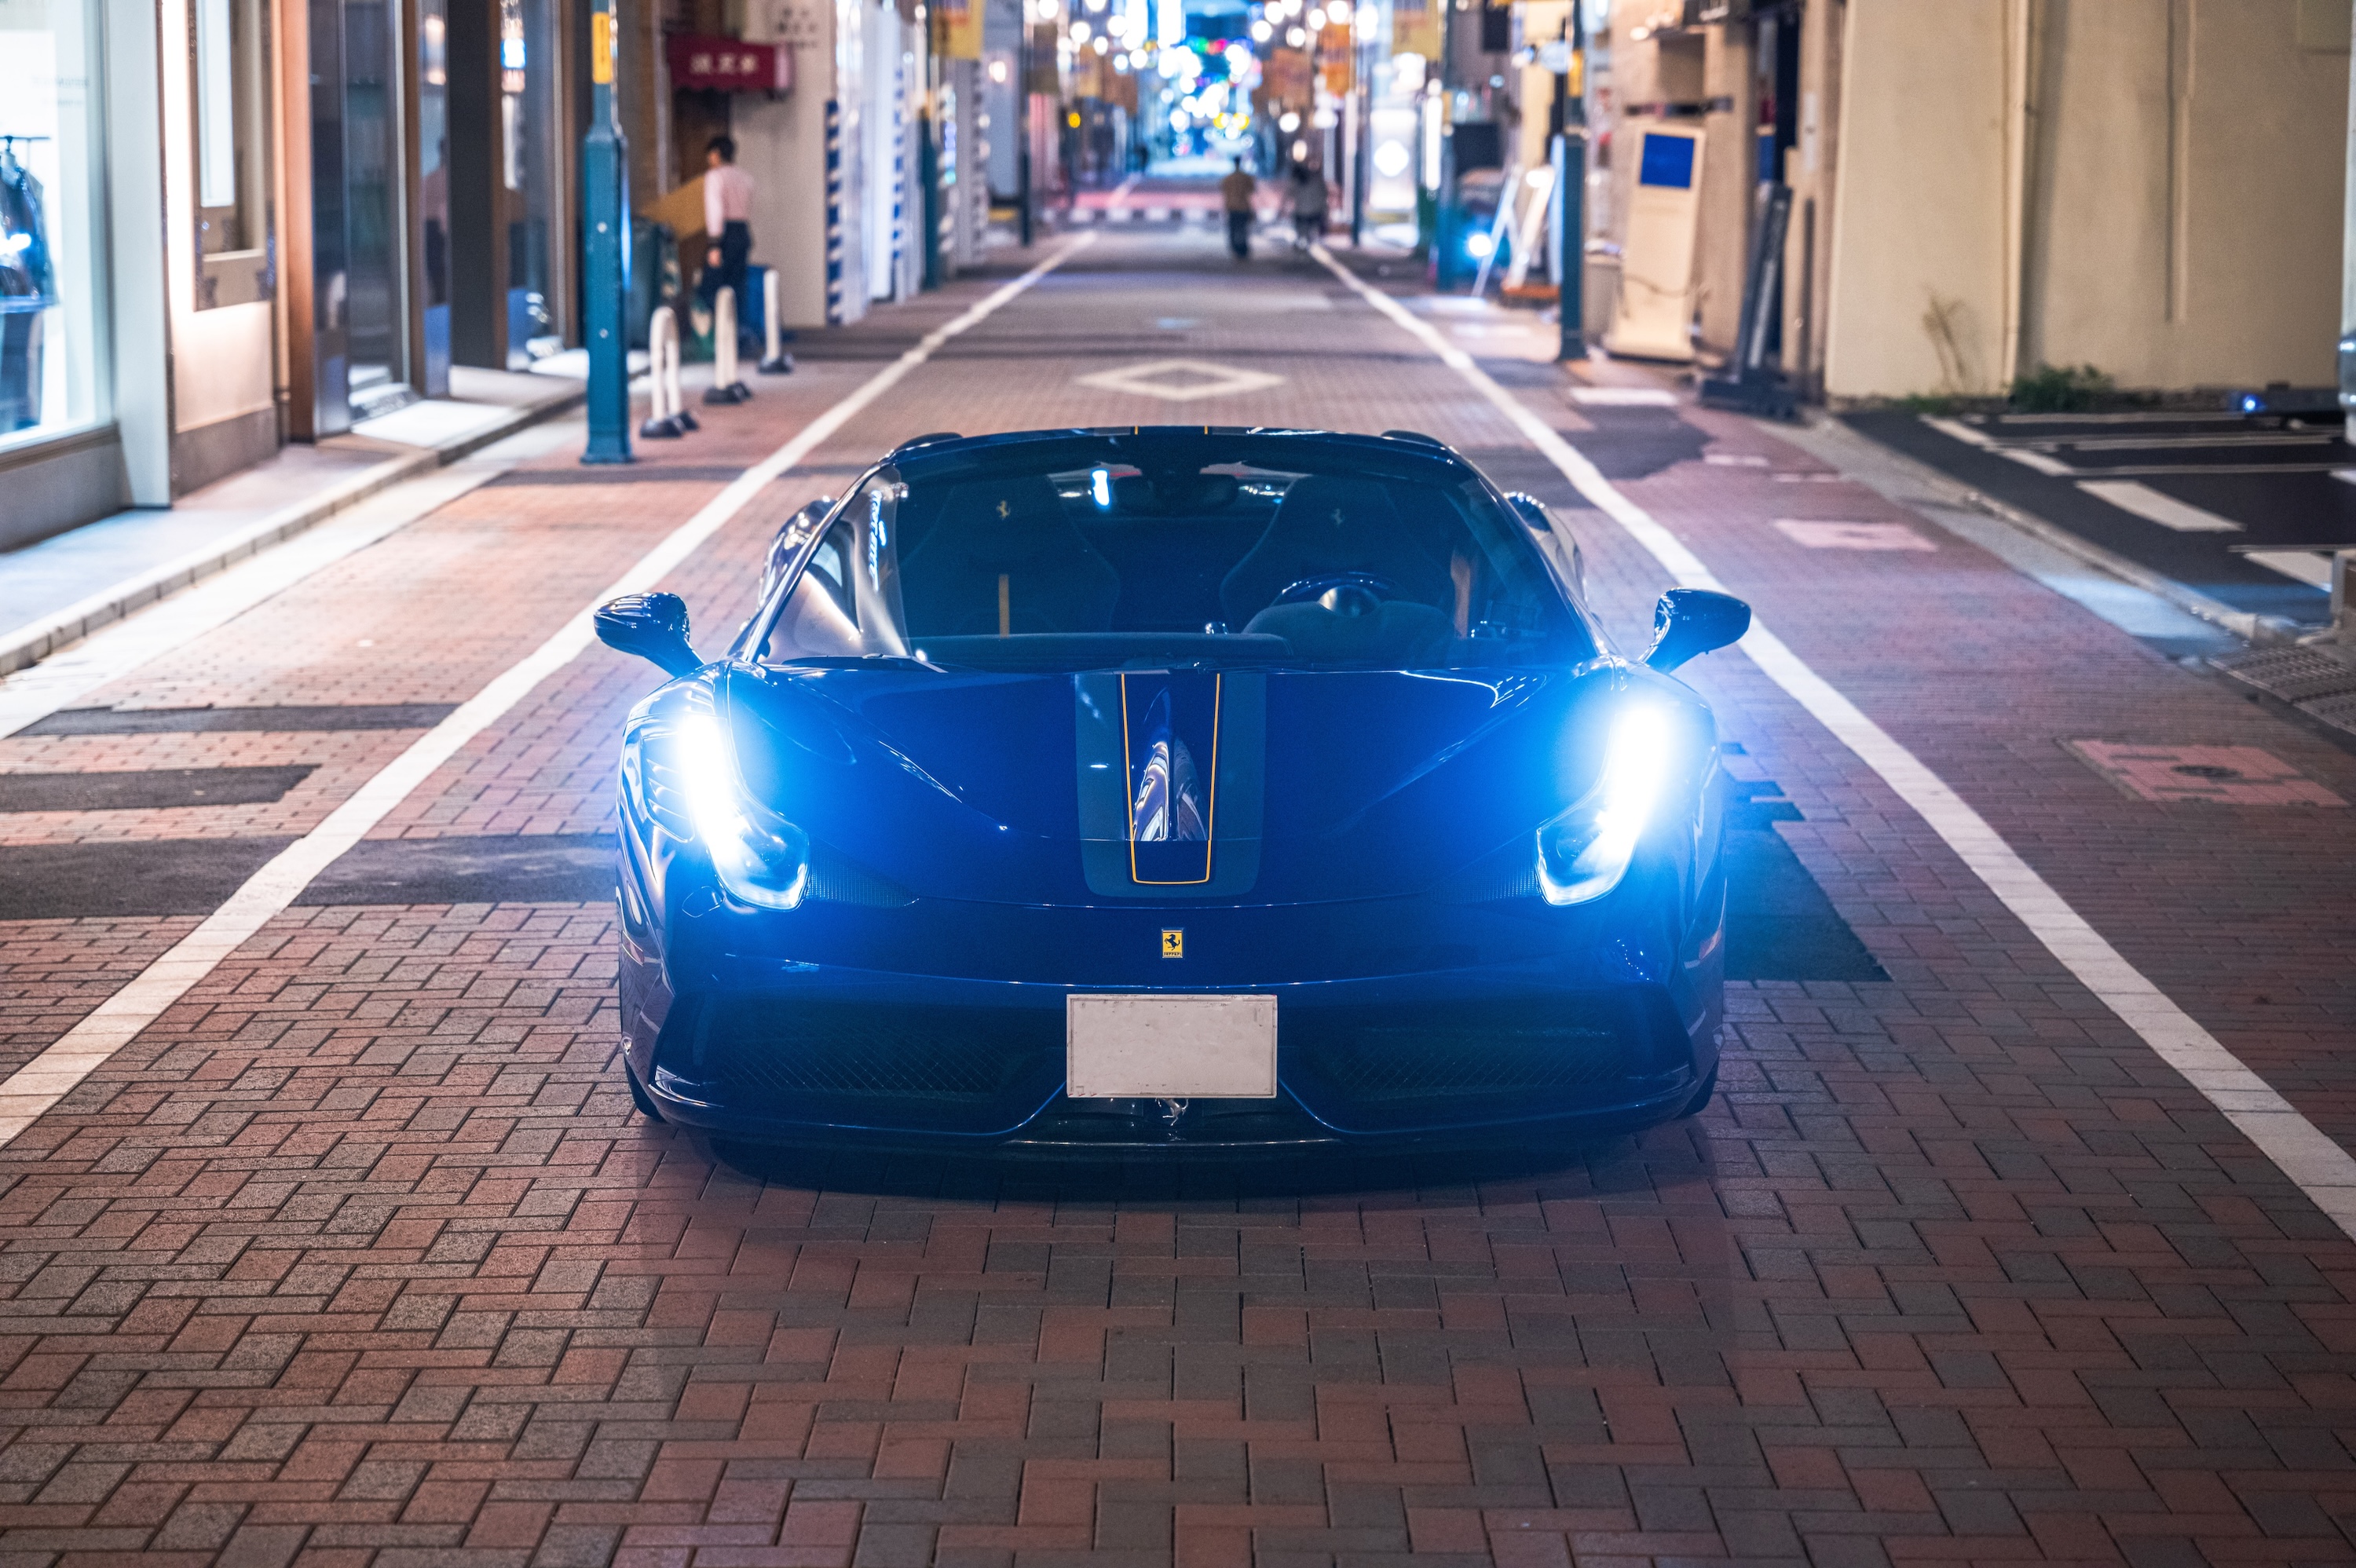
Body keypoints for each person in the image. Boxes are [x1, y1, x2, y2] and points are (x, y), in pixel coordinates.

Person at [700, 135, 758, 355]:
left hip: (724, 235)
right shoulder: (746, 178)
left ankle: (719, 338)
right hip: (742, 232)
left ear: (716, 154)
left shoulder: (714, 177)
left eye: (710, 155)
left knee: (712, 288)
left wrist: (714, 244)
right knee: (737, 287)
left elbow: (715, 209)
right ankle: (739, 337)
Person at [1220, 156, 1257, 261]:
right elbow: (1252, 190)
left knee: (1233, 230)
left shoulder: (1228, 178)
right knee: (1243, 229)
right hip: (1243, 207)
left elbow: (1224, 191)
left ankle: (1235, 249)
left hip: (1232, 207)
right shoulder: (1246, 177)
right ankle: (1242, 249)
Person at [1286, 162, 1329, 252]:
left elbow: (1289, 195)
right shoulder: (1317, 181)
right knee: (1309, 230)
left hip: (1301, 211)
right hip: (1315, 211)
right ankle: (1305, 244)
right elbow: (1324, 195)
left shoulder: (1296, 183)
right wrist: (1324, 210)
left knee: (1302, 230)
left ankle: (1302, 244)